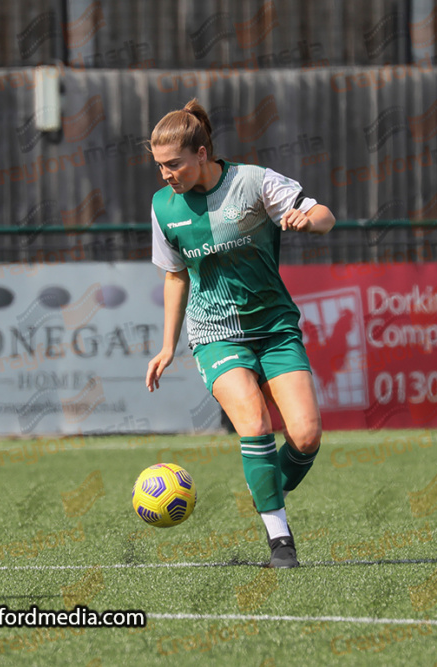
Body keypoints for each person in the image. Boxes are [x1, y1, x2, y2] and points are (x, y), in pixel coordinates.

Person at [144, 99, 335, 568]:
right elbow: (175, 276)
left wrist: (307, 220)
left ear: (203, 153)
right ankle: (280, 541)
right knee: (254, 426)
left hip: (274, 327)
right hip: (215, 332)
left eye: (174, 164)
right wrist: (168, 345)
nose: (166, 174)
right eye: (159, 166)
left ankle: (265, 487)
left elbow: (326, 215)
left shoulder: (252, 182)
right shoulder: (163, 207)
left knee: (306, 436)